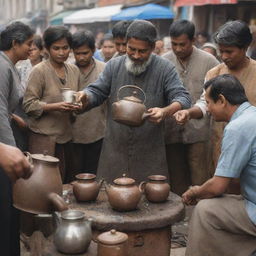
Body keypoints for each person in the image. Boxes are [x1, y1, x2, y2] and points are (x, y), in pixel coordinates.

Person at [77, 20, 191, 183]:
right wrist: (85, 96)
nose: (136, 55)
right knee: (108, 196)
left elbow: (183, 97)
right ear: (126, 43)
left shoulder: (165, 68)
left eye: (142, 51)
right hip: (114, 148)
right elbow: (97, 90)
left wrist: (165, 111)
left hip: (149, 150)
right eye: (132, 49)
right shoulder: (114, 65)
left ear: (152, 48)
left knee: (150, 198)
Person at [183, 74, 256, 256]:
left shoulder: (238, 127)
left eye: (208, 103)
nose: (207, 109)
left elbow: (217, 186)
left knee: (205, 210)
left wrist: (195, 192)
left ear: (222, 100)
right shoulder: (252, 115)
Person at [175, 20, 256, 170]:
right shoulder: (214, 73)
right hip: (220, 149)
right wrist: (188, 112)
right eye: (221, 51)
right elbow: (205, 105)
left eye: (229, 52)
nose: (224, 56)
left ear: (245, 47)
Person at [163, 20, 219, 195]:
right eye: (174, 44)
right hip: (170, 129)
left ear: (193, 40)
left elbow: (215, 94)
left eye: (182, 44)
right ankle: (180, 212)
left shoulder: (209, 61)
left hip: (199, 131)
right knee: (175, 175)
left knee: (200, 175)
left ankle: (199, 213)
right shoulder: (164, 61)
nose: (178, 49)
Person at [23, 26, 81, 182]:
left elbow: (78, 99)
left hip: (66, 136)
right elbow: (28, 105)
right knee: (44, 184)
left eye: (65, 48)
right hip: (43, 139)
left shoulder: (74, 70)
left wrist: (78, 106)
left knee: (65, 182)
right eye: (56, 48)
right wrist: (54, 107)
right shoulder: (39, 71)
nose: (61, 52)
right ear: (47, 49)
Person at [0, 21, 34, 256]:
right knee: (5, 209)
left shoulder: (10, 65)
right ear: (15, 43)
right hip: (3, 149)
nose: (32, 49)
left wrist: (16, 117)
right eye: (29, 44)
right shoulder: (2, 67)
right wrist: (11, 150)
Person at [70, 30, 106, 179]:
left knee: (93, 175)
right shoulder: (68, 69)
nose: (81, 57)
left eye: (85, 53)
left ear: (93, 50)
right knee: (74, 176)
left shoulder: (104, 69)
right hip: (72, 133)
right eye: (77, 53)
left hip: (98, 132)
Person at [11, 35, 44, 151]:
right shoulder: (20, 67)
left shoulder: (45, 67)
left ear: (42, 50)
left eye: (34, 49)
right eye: (29, 48)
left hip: (41, 112)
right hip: (22, 110)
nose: (31, 52)